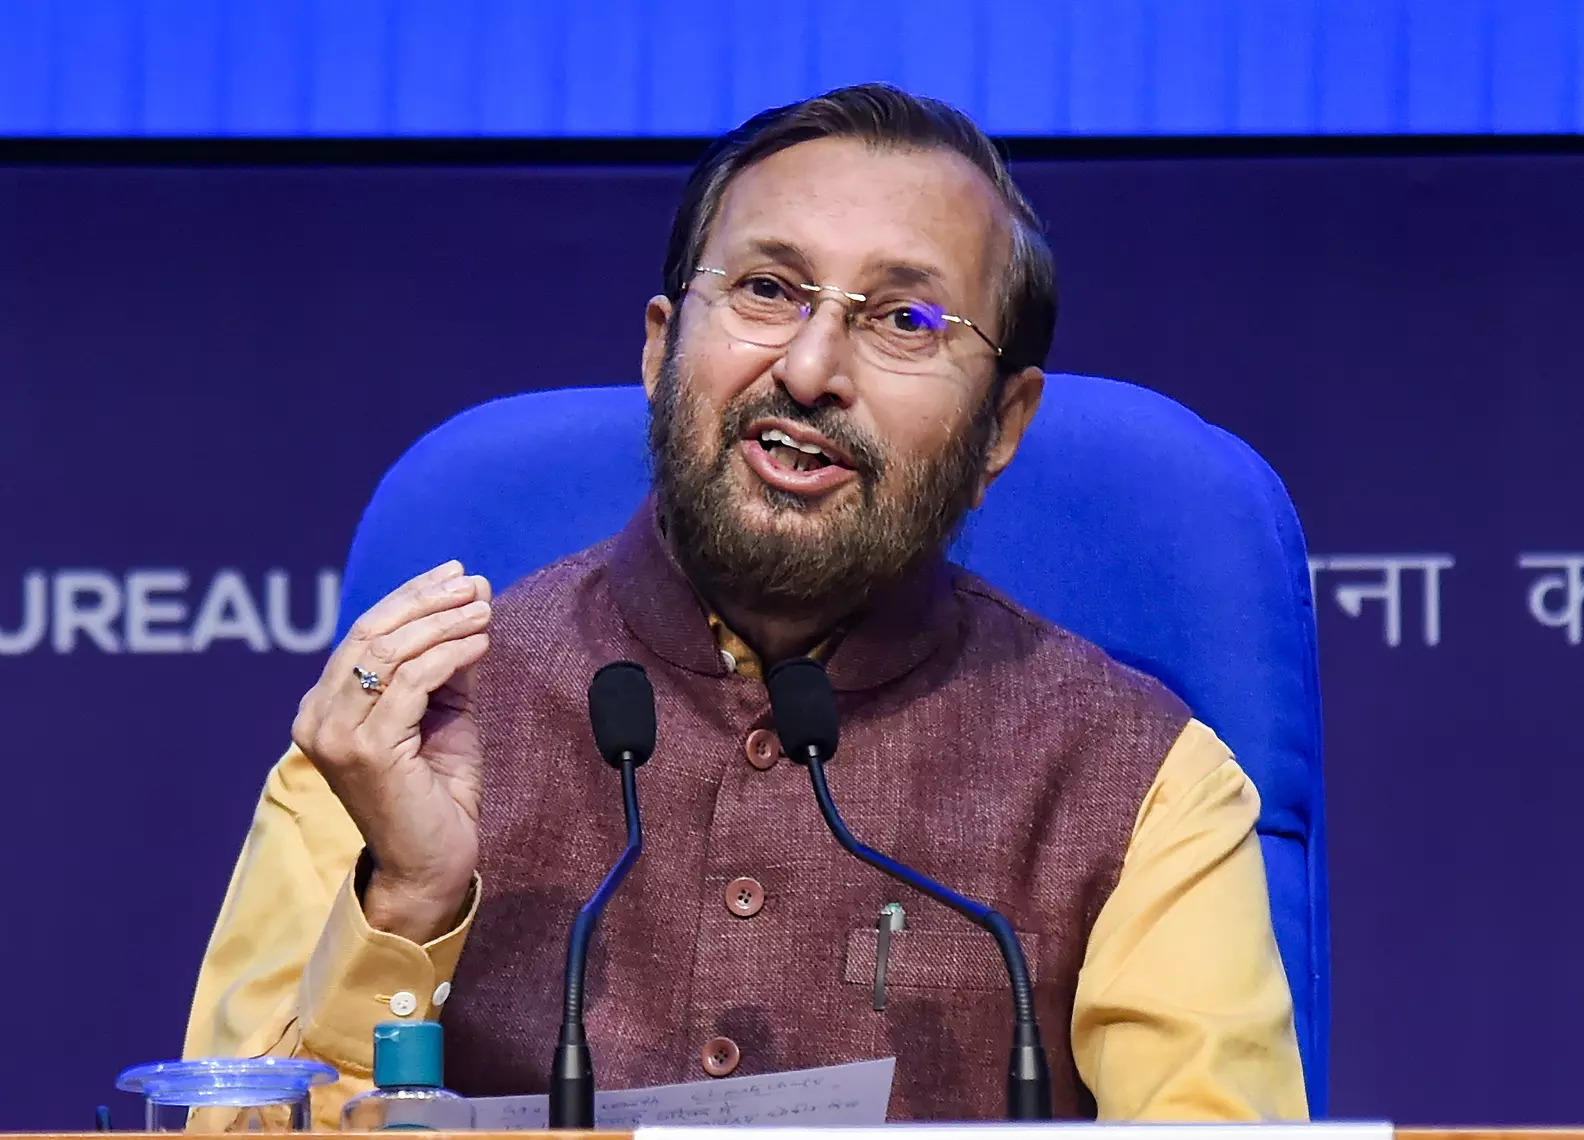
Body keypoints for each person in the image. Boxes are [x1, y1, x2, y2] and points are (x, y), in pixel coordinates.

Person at [186, 84, 1307, 1125]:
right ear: (661, 348)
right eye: (768, 289)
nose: (810, 369)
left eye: (906, 320)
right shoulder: (411, 729)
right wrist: (407, 901)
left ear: (1000, 430)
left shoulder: (1140, 780)